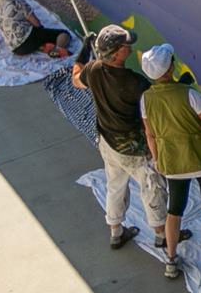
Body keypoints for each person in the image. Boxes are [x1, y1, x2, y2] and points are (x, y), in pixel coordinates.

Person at [74, 25, 182, 254]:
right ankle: (162, 235)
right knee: (152, 187)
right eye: (126, 45)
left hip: (107, 142)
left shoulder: (92, 70)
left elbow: (76, 79)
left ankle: (116, 231)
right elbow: (156, 106)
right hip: (135, 148)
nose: (130, 46)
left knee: (115, 186)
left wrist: (83, 53)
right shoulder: (135, 83)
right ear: (116, 53)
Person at [140, 44, 201, 279]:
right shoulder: (189, 95)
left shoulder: (145, 99)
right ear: (170, 68)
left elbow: (149, 134)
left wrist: (157, 159)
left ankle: (171, 260)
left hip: (171, 160)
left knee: (175, 210)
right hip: (199, 156)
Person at [0, 0, 73, 57]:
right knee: (64, 34)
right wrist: (42, 31)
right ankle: (58, 50)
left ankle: (41, 46)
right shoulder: (17, 2)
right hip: (27, 40)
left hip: (15, 49)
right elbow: (34, 21)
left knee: (39, 38)